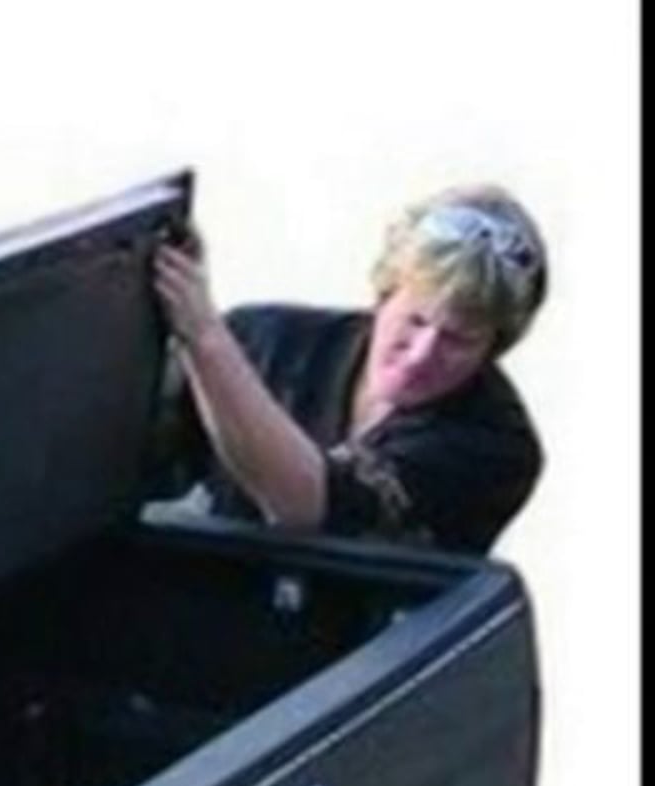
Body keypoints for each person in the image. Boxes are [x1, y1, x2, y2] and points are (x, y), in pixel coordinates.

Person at [149, 185, 548, 556]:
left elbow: (307, 508)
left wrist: (204, 337)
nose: (421, 354)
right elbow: (138, 448)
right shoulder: (263, 339)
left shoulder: (494, 444)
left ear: (493, 349)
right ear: (384, 295)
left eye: (458, 341)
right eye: (415, 320)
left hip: (360, 609)